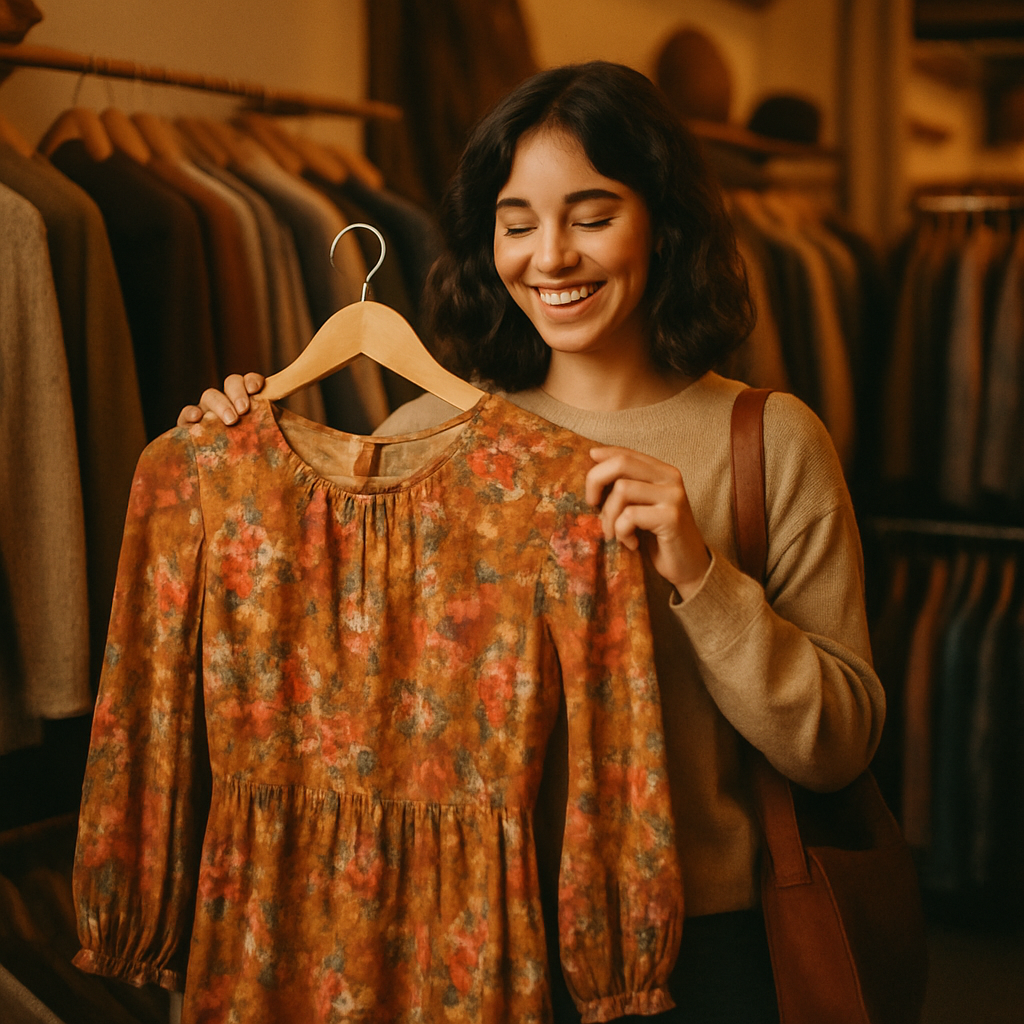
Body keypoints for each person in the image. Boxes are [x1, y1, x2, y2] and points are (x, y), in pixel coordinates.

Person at [178, 61, 884, 1024]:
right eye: (518, 224)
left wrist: (699, 573)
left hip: (704, 949)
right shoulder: (415, 440)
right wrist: (233, 464)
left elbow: (839, 746)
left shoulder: (768, 442)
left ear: (662, 223)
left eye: (592, 215)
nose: (551, 256)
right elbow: (330, 701)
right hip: (453, 941)